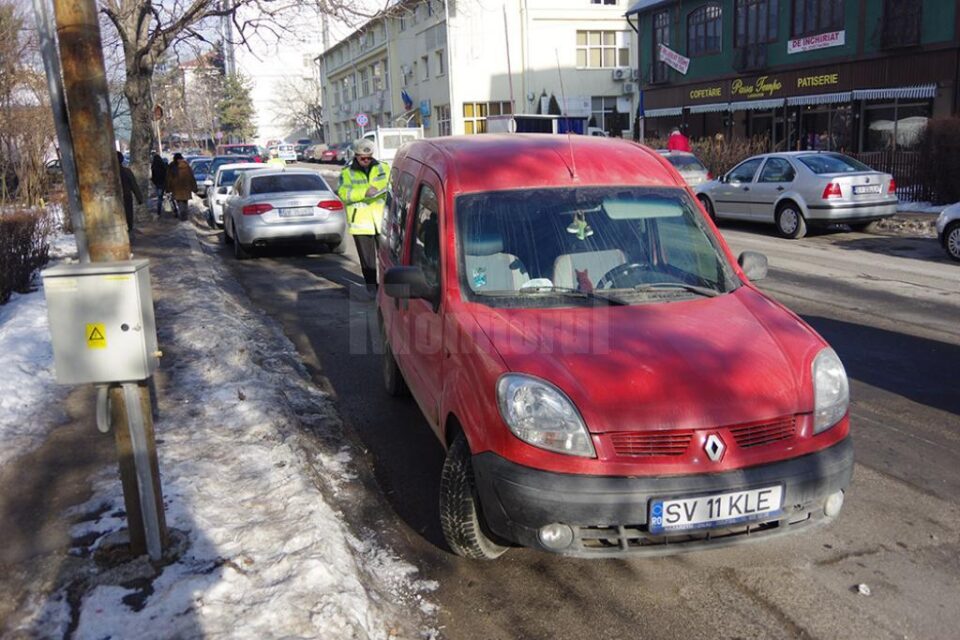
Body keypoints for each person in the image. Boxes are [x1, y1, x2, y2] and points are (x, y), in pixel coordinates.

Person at [337, 139, 389, 290]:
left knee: (388, 258)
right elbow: (342, 193)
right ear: (356, 155)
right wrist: (364, 192)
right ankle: (372, 288)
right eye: (363, 158)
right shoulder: (347, 173)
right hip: (360, 223)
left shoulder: (383, 168)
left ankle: (389, 288)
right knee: (368, 261)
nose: (366, 160)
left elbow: (392, 186)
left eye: (369, 157)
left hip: (382, 220)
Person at [165, 152, 197, 221]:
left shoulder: (171, 166)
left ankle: (182, 216)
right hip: (186, 188)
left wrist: (168, 188)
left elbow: (168, 178)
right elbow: (191, 177)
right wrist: (194, 187)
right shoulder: (186, 166)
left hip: (176, 188)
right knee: (185, 202)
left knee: (179, 202)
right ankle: (184, 216)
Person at [117, 151, 143, 233]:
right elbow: (134, 185)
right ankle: (129, 229)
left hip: (115, 199)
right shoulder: (126, 171)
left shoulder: (108, 173)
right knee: (128, 215)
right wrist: (139, 198)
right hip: (126, 196)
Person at [150, 153, 167, 217]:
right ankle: (173, 209)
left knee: (159, 198)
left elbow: (153, 177)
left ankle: (159, 211)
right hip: (163, 183)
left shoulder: (153, 167)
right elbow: (166, 174)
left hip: (158, 184)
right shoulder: (163, 166)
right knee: (168, 197)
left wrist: (154, 182)